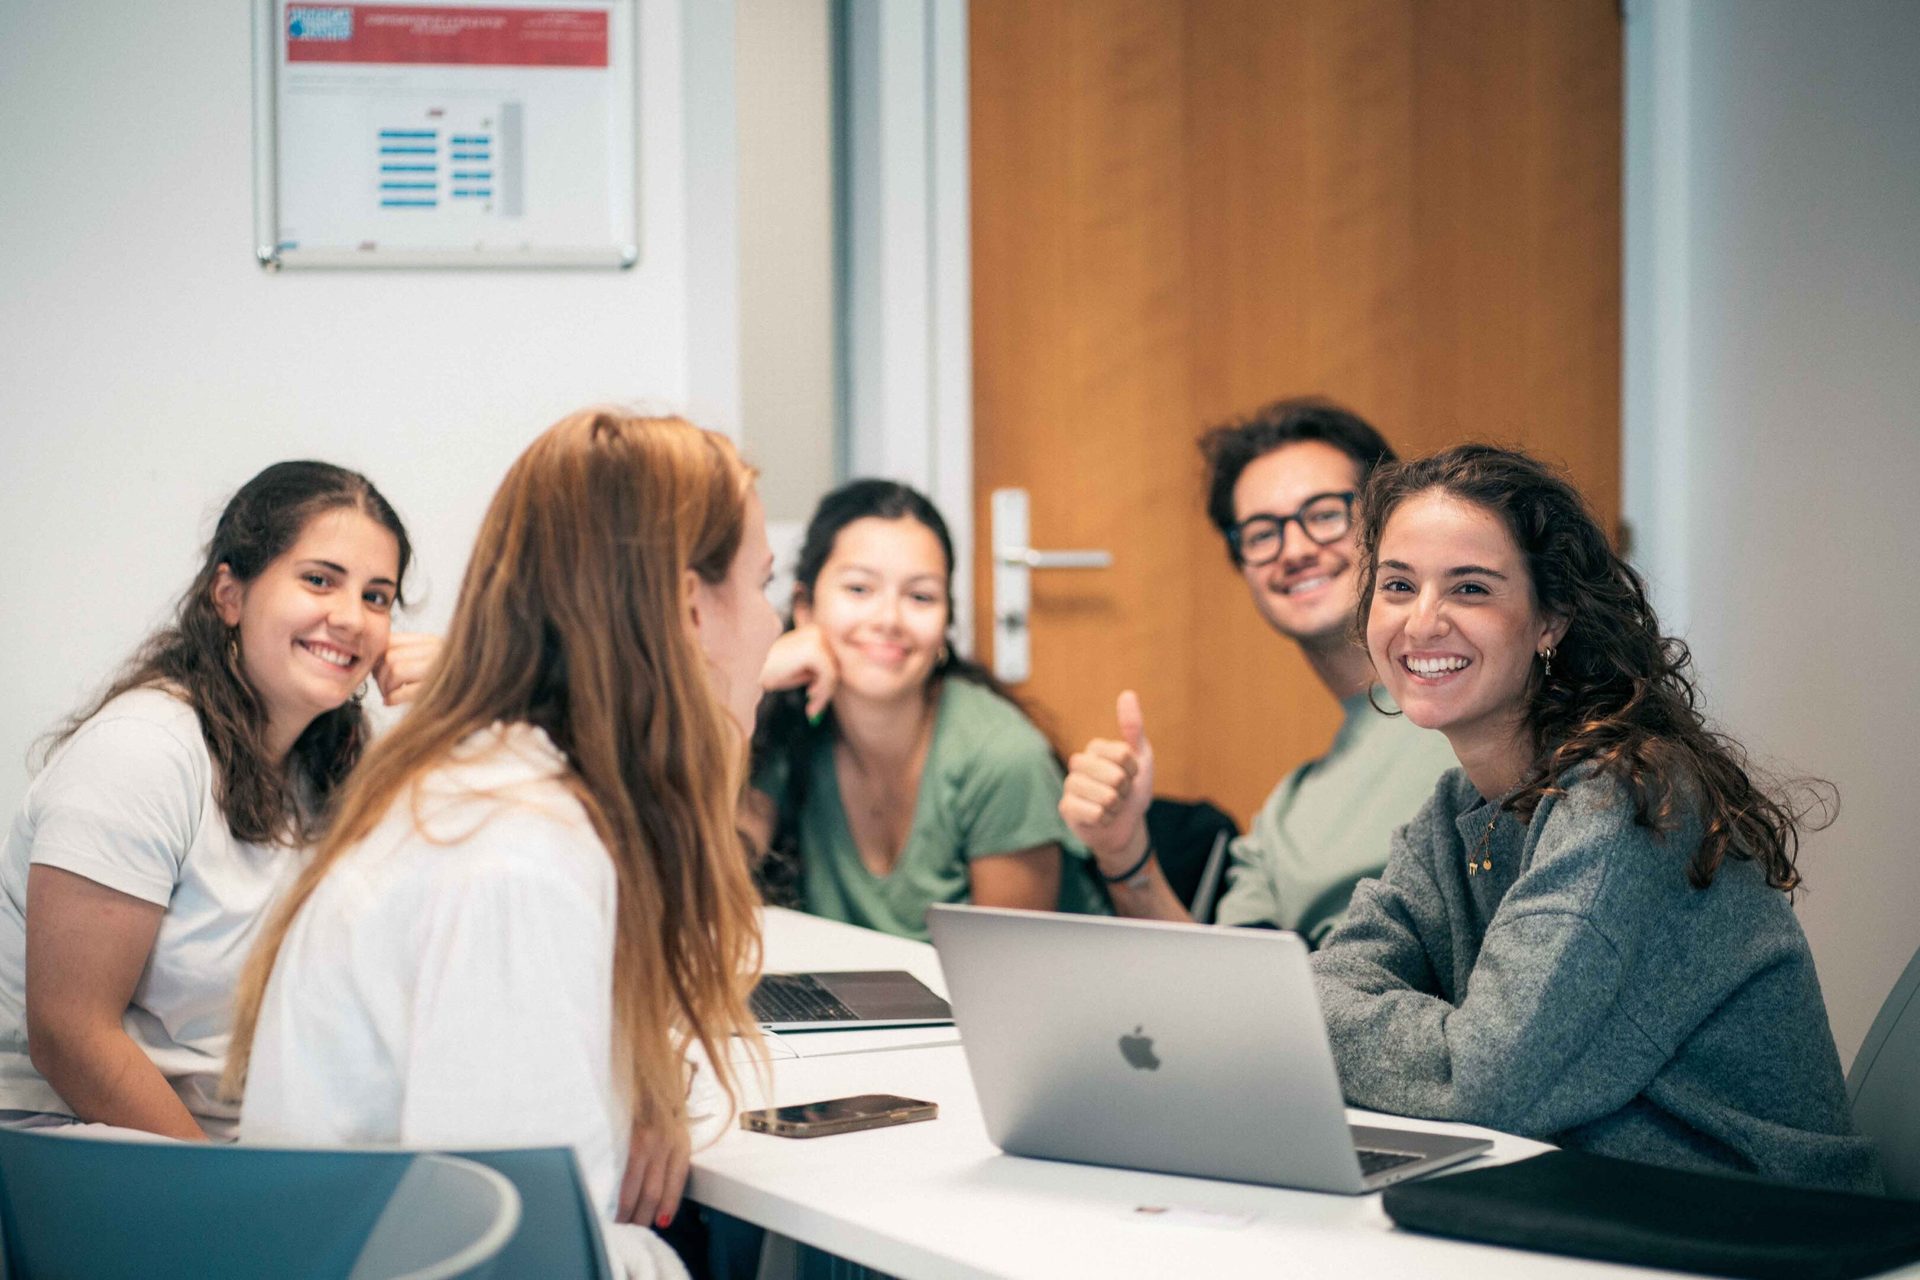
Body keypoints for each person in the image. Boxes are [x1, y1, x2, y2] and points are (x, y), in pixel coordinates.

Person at [232, 411, 774, 1277]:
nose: (777, 627)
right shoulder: (518, 855)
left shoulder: (506, 796)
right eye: (764, 584)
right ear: (687, 609)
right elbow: (518, 1256)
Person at [1312, 443, 1879, 1191]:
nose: (1422, 622)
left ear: (1551, 620)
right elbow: (1315, 995)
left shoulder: (1627, 802)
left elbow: (1485, 1082)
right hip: (1594, 1195)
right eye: (1397, 585)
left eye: (1471, 588)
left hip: (1753, 1223)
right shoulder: (1457, 812)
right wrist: (1426, 1038)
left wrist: (1381, 1035)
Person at [0, 462, 428, 1140]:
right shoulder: (143, 751)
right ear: (229, 595)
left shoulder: (332, 766)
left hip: (237, 1149)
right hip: (87, 1150)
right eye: (319, 579)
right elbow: (69, 1035)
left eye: (378, 597)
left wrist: (467, 704)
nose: (350, 618)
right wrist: (225, 1195)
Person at [1061, 398, 1455, 939]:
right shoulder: (1283, 819)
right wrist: (1124, 853)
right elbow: (1222, 986)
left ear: (1387, 520)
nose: (1294, 549)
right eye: (1263, 532)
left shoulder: (1474, 721)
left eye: (1323, 515)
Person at [746, 479, 1107, 941]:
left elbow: (1005, 980)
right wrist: (749, 683)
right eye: (859, 589)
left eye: (920, 597)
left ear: (945, 628)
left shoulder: (1003, 758)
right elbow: (700, 890)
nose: (889, 620)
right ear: (805, 609)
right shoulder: (786, 724)